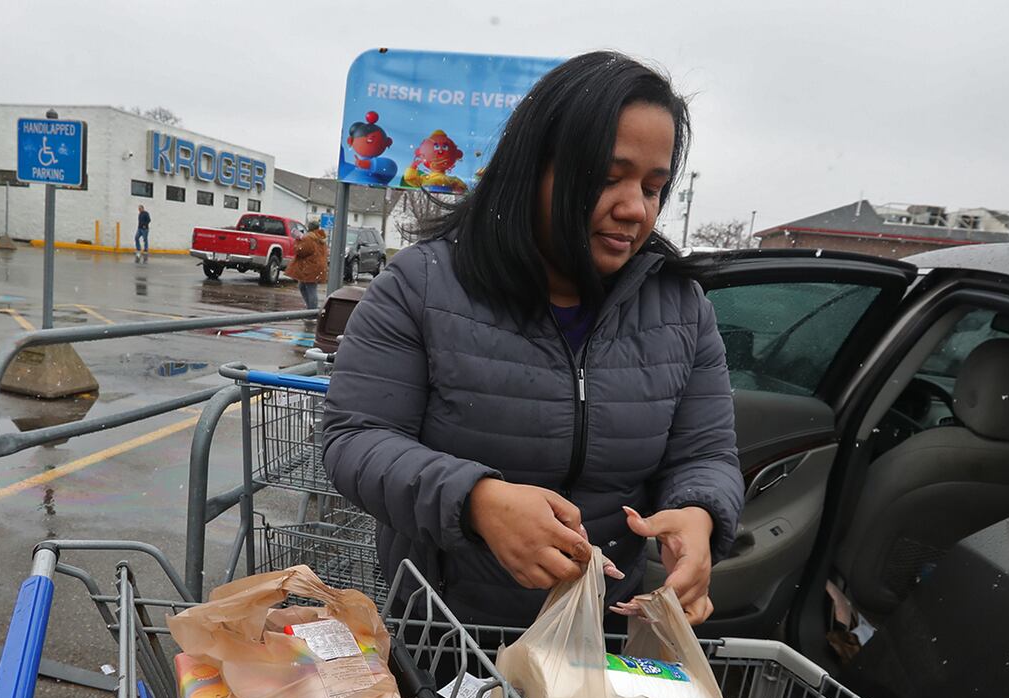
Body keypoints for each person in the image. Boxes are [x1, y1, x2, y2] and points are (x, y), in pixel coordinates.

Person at [322, 52, 743, 630]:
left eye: (653, 186)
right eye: (607, 177)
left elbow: (706, 452)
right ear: (534, 167)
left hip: (601, 638)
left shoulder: (680, 308)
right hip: (451, 635)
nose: (634, 208)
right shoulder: (421, 285)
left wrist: (698, 512)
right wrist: (477, 500)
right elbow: (355, 439)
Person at [285, 222, 328, 311]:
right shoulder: (319, 236)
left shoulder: (309, 238)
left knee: (310, 288)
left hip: (310, 266)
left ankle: (311, 311)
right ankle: (310, 309)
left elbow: (301, 251)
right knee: (304, 286)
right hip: (316, 265)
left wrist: (298, 240)